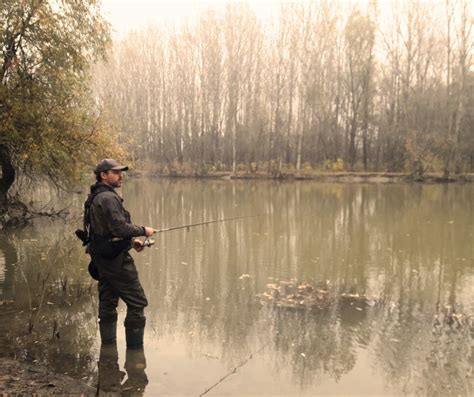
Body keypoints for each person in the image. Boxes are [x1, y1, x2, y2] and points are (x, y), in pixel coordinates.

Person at [84, 158, 155, 349]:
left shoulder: (95, 197)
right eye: (115, 172)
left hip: (102, 258)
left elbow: (105, 230)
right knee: (137, 303)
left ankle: (108, 350)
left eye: (120, 172)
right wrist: (143, 230)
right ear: (103, 175)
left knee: (107, 301)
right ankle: (135, 355)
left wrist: (133, 242)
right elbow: (119, 228)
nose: (120, 175)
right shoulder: (107, 198)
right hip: (115, 260)